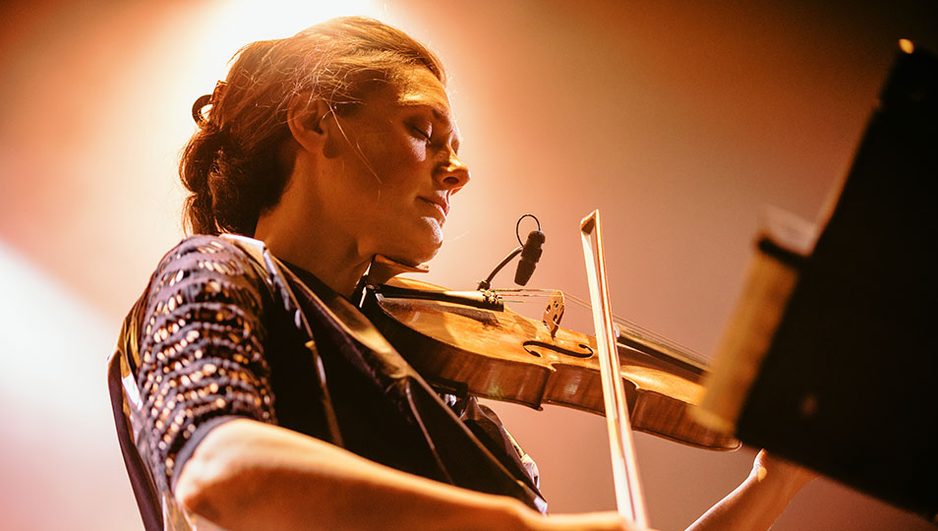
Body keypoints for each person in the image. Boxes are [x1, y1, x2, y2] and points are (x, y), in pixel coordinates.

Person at [112, 16, 814, 531]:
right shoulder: (218, 267)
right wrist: (517, 527)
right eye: (425, 130)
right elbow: (221, 470)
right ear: (315, 124)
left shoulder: (434, 385)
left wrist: (770, 485)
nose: (460, 168)